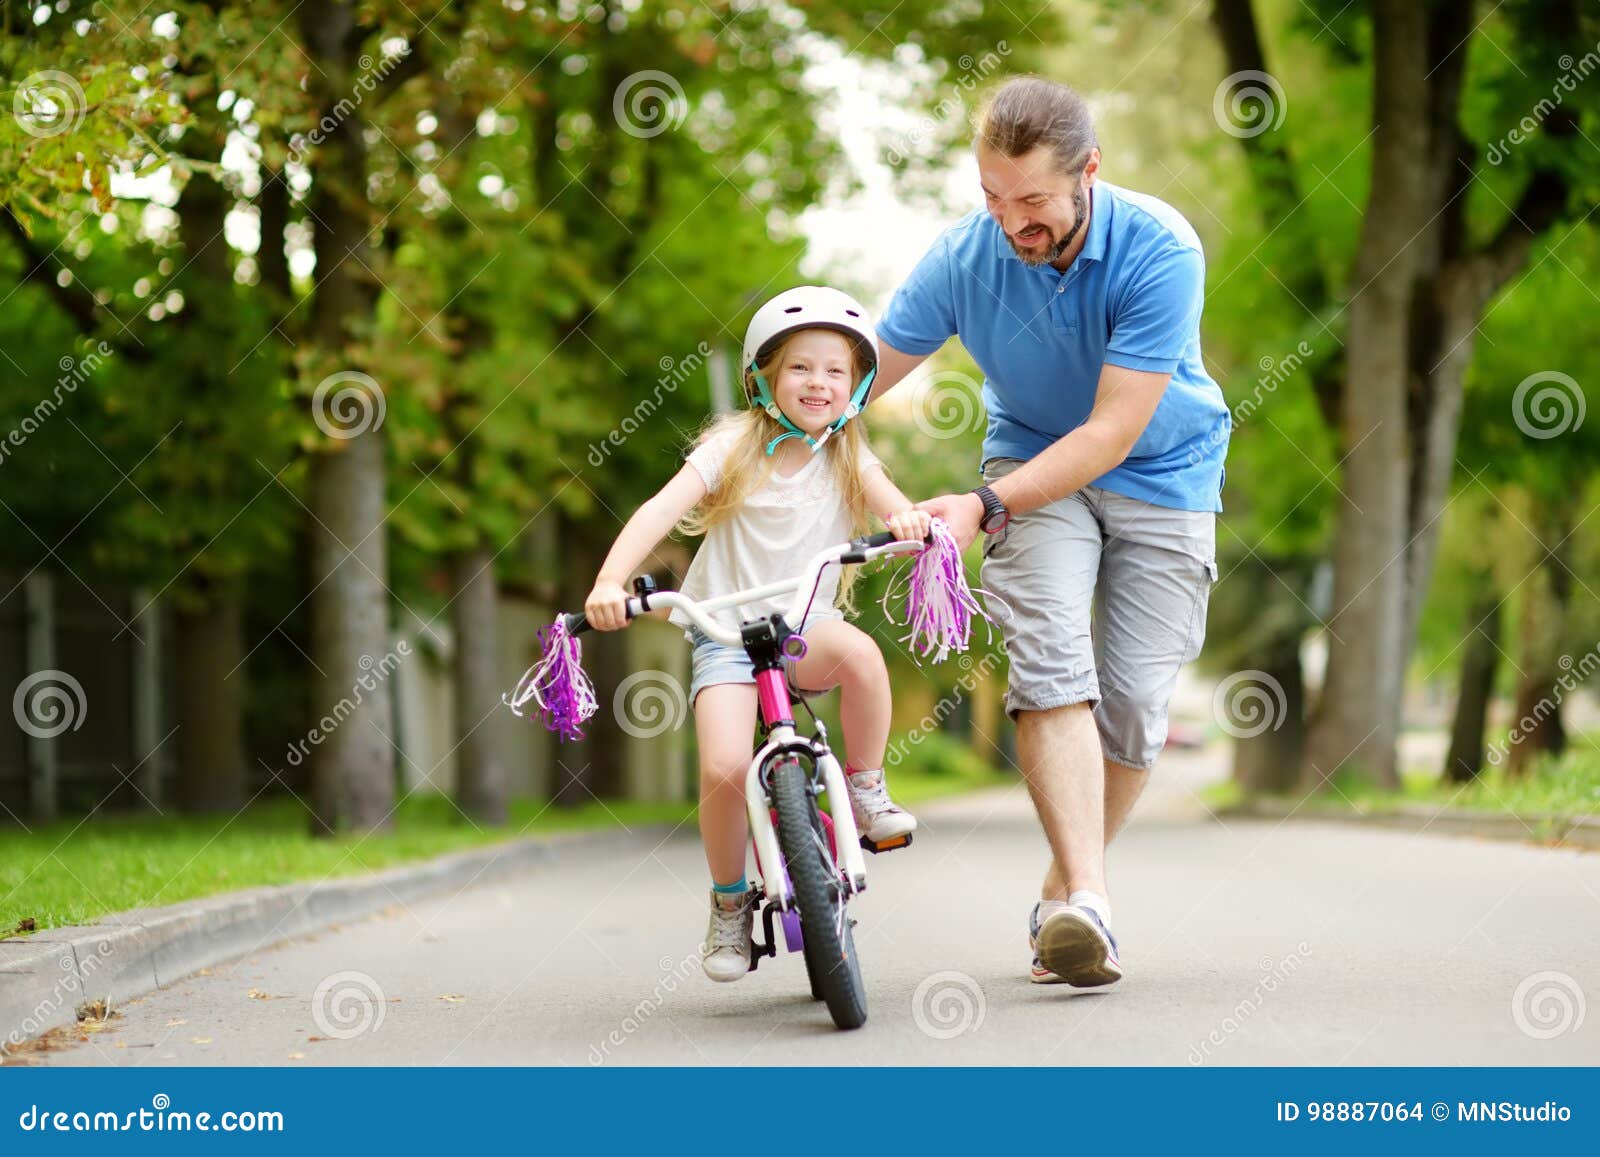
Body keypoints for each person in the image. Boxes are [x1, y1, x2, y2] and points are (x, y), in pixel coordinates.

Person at [869, 77, 1231, 987]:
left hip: (1163, 470)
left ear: (1089, 174)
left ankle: (1065, 891)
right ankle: (1090, 907)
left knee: (1139, 704)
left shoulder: (1159, 247)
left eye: (1032, 200)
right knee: (1051, 664)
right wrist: (779, 407)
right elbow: (865, 369)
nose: (1011, 221)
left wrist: (981, 509)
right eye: (992, 196)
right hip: (1032, 472)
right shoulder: (965, 255)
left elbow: (1113, 431)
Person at [583, 285, 932, 983]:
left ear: (857, 385)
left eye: (836, 370)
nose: (819, 382)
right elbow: (659, 510)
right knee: (721, 769)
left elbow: (894, 505)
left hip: (807, 628)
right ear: (765, 377)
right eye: (801, 367)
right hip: (725, 636)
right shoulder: (732, 446)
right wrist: (609, 581)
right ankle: (729, 901)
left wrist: (910, 522)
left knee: (862, 656)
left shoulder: (847, 453)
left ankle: (864, 788)